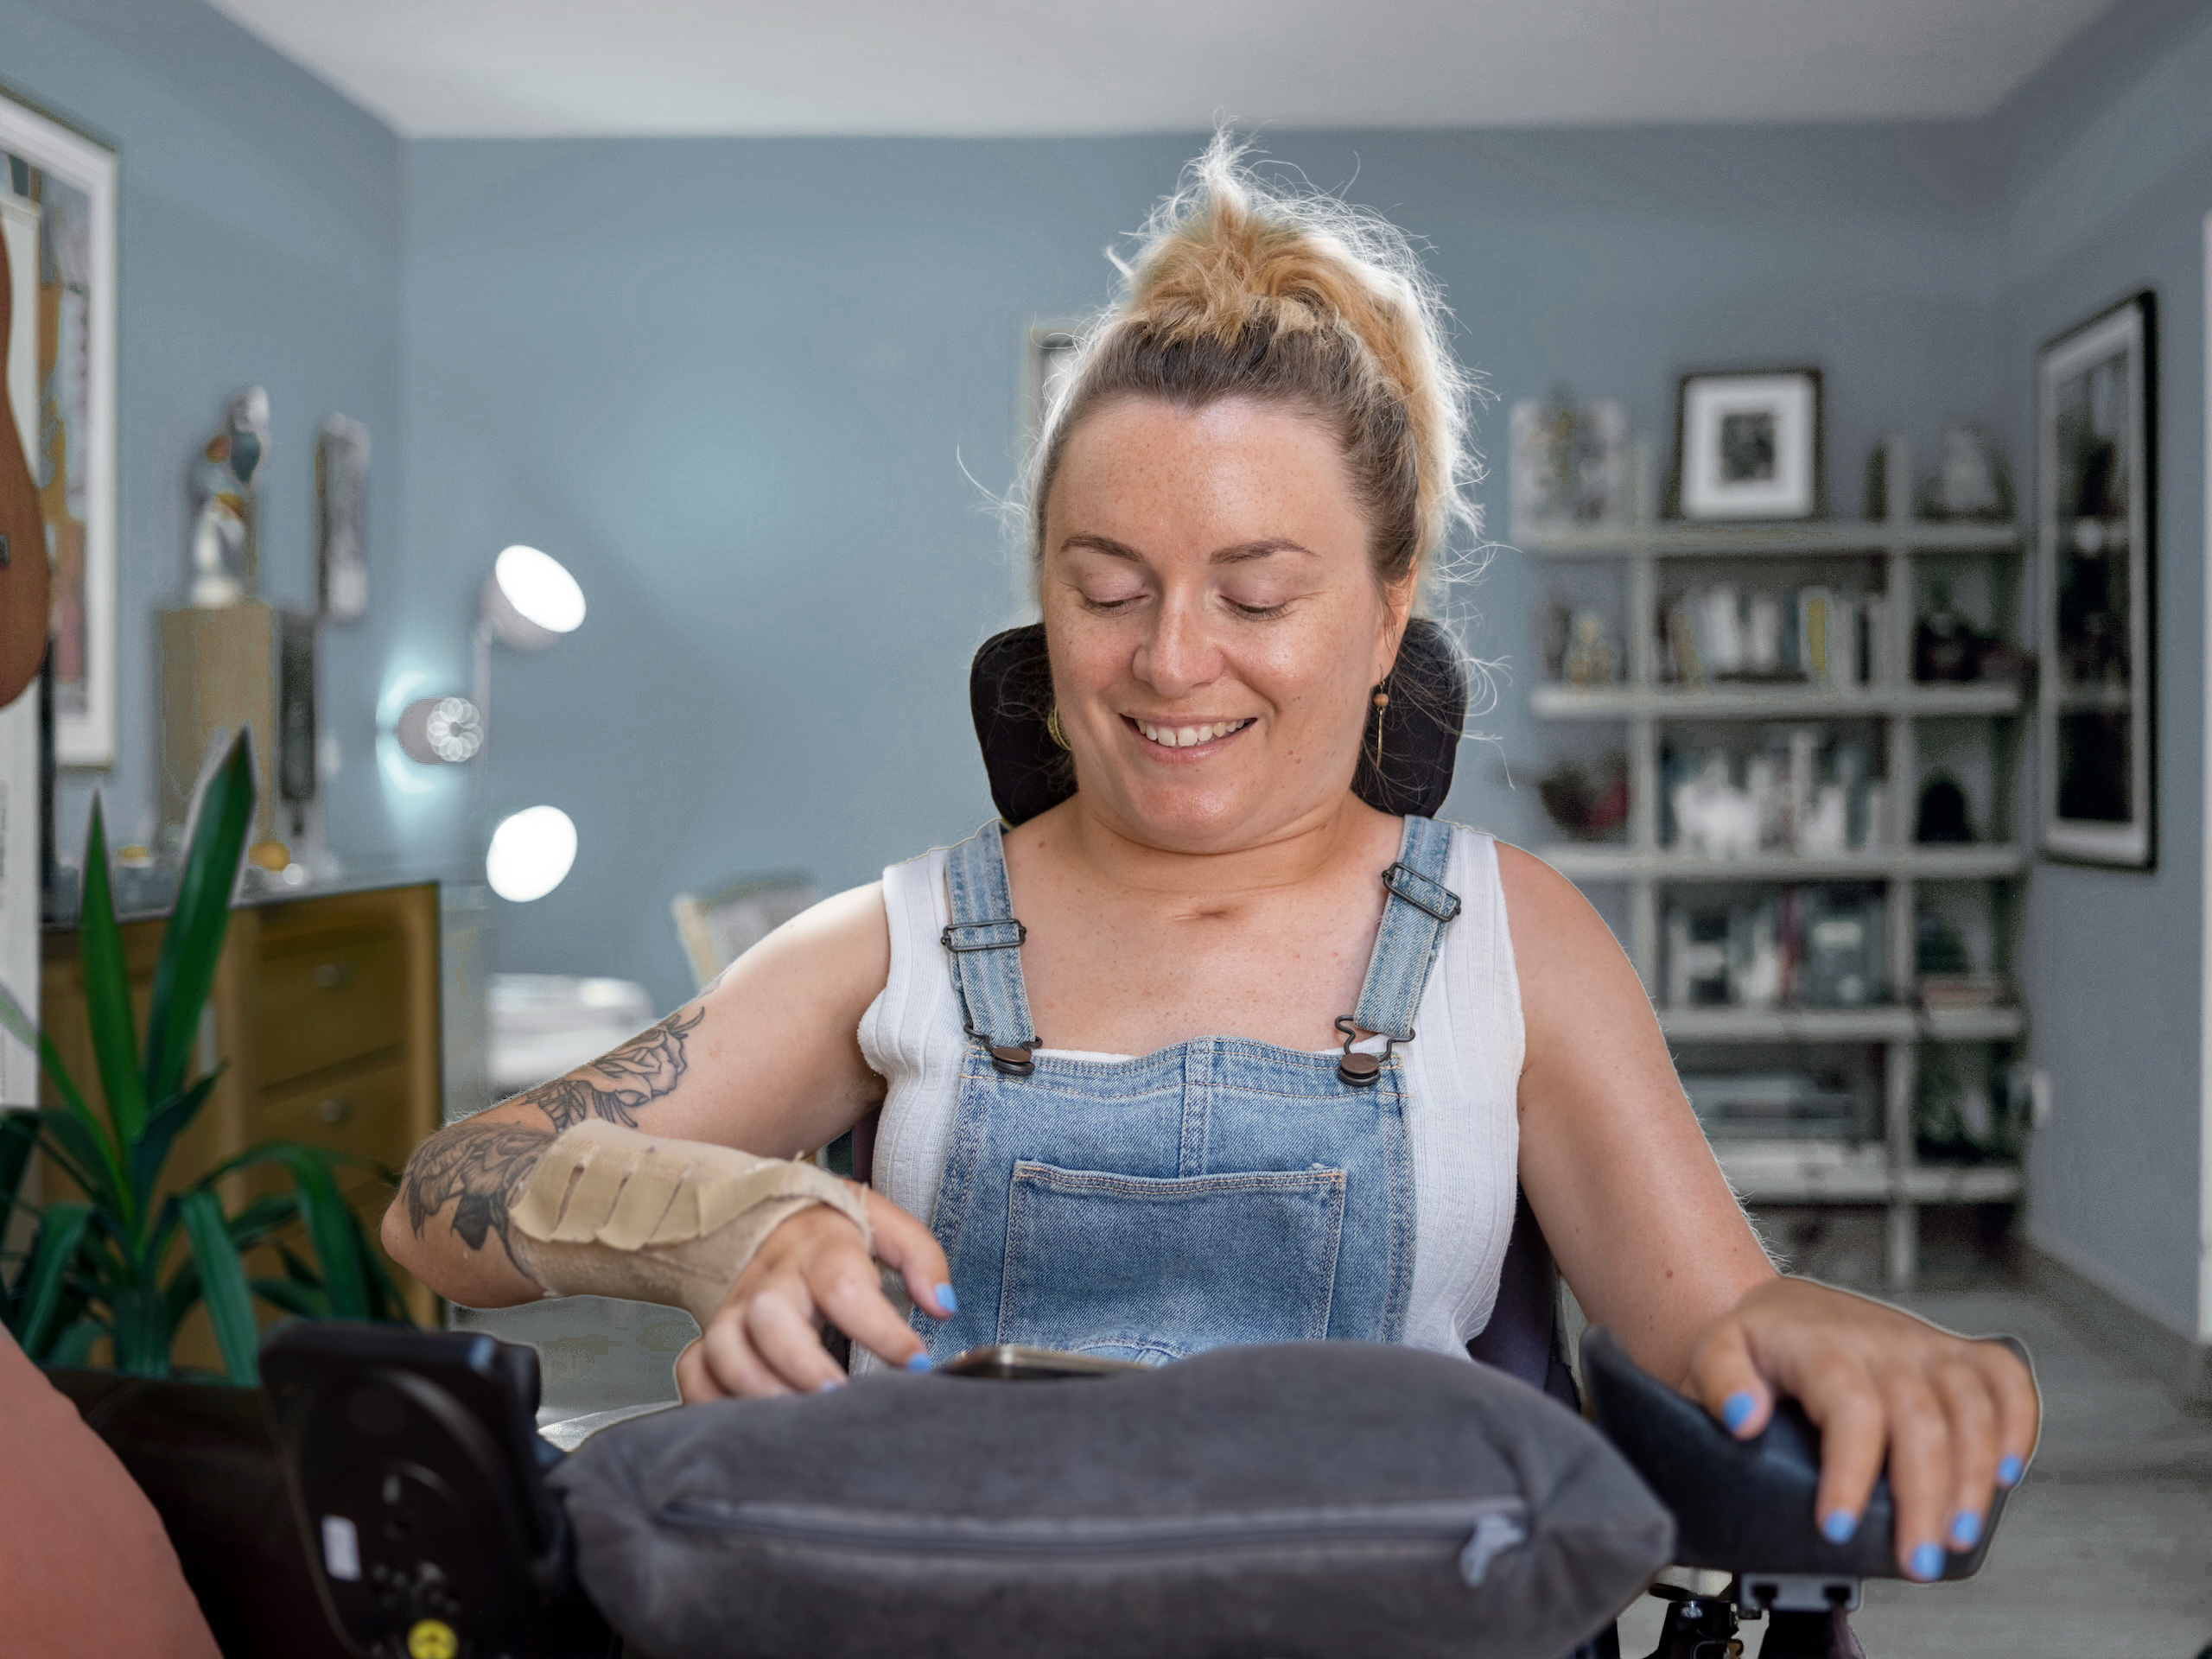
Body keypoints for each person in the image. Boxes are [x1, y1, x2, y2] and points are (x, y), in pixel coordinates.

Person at [385, 138, 2037, 1587]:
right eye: (1107, 590)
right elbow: (442, 1196)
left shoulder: (1510, 940)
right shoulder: (899, 945)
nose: (1173, 660)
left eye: (1257, 596)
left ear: (1387, 612)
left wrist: (1825, 1329)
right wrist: (716, 1217)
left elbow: (1714, 1324)